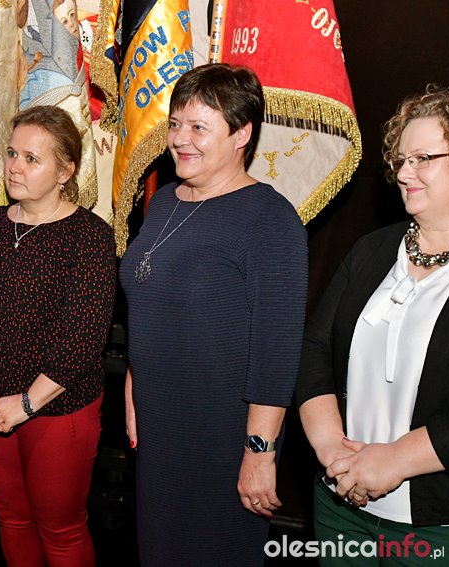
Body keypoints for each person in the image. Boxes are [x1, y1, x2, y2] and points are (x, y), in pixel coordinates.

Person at [119, 63, 308, 566]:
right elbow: (150, 304)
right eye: (176, 124)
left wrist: (259, 451)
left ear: (242, 134)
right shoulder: (165, 201)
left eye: (199, 127)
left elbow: (276, 352)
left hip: (222, 432)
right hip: (161, 422)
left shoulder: (269, 218)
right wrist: (135, 381)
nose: (180, 139)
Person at [0, 105, 117, 566]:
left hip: (58, 409)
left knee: (61, 530)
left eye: (31, 158)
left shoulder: (89, 237)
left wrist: (25, 404)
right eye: (11, 153)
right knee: (12, 520)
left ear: (65, 171)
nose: (14, 167)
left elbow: (82, 341)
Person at [296, 85, 449, 564]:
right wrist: (333, 453)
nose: (404, 173)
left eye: (423, 159)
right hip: (339, 505)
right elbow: (314, 348)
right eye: (401, 160)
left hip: (438, 523)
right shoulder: (372, 249)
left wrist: (395, 461)